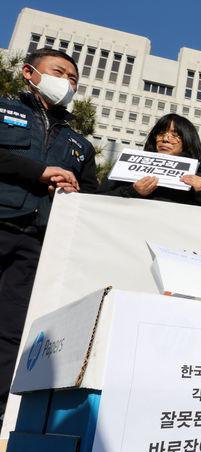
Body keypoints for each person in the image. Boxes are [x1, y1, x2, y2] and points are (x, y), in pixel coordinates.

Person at [0, 48, 98, 420]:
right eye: (60, 73)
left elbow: (90, 198)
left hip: (38, 241)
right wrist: (38, 172)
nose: (67, 83)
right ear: (30, 72)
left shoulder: (80, 144)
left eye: (74, 79)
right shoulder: (3, 110)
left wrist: (74, 193)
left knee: (11, 332)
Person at [98, 114, 201, 209]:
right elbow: (96, 201)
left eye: (175, 135)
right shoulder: (125, 169)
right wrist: (132, 192)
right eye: (161, 133)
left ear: (188, 141)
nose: (165, 139)